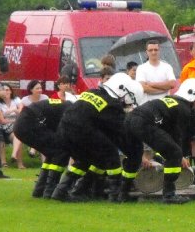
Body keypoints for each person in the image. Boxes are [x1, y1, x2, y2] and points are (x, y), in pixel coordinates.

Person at [52, 73, 144, 202]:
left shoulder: (92, 92)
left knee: (87, 160)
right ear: (123, 93)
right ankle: (115, 195)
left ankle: (63, 191)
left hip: (64, 130)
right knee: (111, 155)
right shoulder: (113, 104)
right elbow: (119, 132)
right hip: (81, 131)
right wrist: (135, 151)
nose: (126, 105)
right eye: (127, 103)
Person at [122, 78, 195, 204]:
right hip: (144, 123)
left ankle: (121, 193)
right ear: (192, 95)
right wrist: (180, 156)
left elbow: (165, 136)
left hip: (129, 120)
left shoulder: (172, 102)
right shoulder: (183, 108)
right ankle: (169, 194)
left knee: (134, 157)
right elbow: (177, 135)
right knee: (174, 153)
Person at [13, 97, 73, 197]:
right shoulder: (69, 110)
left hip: (21, 122)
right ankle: (50, 191)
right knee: (60, 151)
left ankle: (39, 189)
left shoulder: (62, 105)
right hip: (29, 122)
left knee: (51, 152)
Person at [15, 79, 49, 167]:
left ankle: (43, 163)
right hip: (29, 124)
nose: (40, 90)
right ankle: (28, 153)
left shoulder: (45, 98)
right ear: (31, 90)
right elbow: (21, 113)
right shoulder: (25, 100)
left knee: (42, 135)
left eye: (40, 88)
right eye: (37, 88)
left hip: (42, 123)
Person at [0, 84, 21, 167]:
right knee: (0, 141)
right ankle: (4, 163)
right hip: (1, 127)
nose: (6, 92)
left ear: (11, 91)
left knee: (17, 137)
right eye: (3, 90)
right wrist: (14, 119)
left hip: (13, 128)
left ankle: (16, 159)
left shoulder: (17, 100)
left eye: (7, 90)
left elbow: (21, 113)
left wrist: (14, 110)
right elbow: (2, 120)